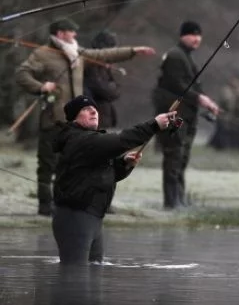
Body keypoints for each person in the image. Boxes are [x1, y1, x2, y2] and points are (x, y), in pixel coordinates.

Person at [15, 18, 156, 216]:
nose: (75, 35)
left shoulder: (78, 53)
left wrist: (133, 51)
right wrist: (41, 87)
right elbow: (22, 74)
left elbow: (104, 54)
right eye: (71, 32)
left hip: (75, 125)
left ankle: (63, 202)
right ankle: (45, 204)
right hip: (53, 119)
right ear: (60, 33)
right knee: (47, 164)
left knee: (72, 165)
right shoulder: (43, 54)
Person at [52, 95, 177, 265]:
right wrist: (154, 125)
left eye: (94, 108)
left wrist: (123, 164)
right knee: (73, 276)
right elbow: (123, 140)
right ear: (75, 117)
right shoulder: (82, 139)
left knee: (94, 272)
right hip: (75, 218)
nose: (93, 111)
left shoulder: (89, 141)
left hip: (92, 218)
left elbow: (98, 177)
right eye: (85, 109)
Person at [151, 20, 220, 209]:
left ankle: (179, 198)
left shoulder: (187, 57)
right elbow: (178, 85)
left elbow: (193, 86)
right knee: (174, 155)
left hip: (188, 116)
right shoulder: (175, 56)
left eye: (199, 35)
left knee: (182, 157)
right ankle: (171, 201)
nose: (197, 38)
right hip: (175, 116)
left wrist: (206, 101)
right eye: (192, 34)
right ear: (183, 36)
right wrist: (201, 99)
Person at [83, 30, 122, 130]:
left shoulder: (104, 65)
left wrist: (113, 88)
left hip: (103, 117)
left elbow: (116, 89)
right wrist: (113, 88)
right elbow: (104, 90)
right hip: (95, 117)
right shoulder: (92, 65)